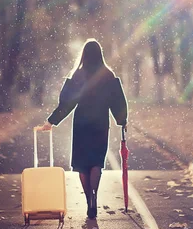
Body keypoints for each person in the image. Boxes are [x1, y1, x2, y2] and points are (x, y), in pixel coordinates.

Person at [37, 39, 128, 219]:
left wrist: (51, 121)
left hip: (81, 123)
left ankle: (88, 201)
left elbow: (66, 103)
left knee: (82, 165)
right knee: (96, 163)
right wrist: (122, 120)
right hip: (100, 123)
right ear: (100, 54)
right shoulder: (108, 75)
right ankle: (94, 195)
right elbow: (117, 100)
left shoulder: (78, 75)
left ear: (84, 55)